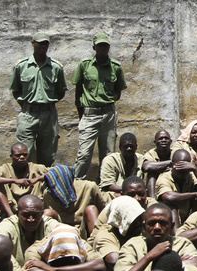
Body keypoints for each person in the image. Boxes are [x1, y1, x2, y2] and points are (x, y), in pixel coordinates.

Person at [71, 33, 126, 180]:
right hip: (89, 114)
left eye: (105, 45)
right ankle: (78, 185)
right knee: (84, 154)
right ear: (94, 47)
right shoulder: (85, 65)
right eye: (100, 45)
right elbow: (78, 94)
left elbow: (118, 92)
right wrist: (82, 116)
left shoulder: (116, 67)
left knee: (108, 155)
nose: (103, 48)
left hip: (108, 115)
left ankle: (106, 186)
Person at [10, 32, 67, 167]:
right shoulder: (21, 66)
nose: (43, 46)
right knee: (24, 153)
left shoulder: (56, 67)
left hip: (48, 115)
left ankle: (43, 184)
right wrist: (28, 105)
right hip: (28, 114)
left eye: (46, 43)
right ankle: (24, 184)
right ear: (33, 43)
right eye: (40, 43)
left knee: (47, 155)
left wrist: (46, 103)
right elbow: (15, 90)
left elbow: (61, 92)